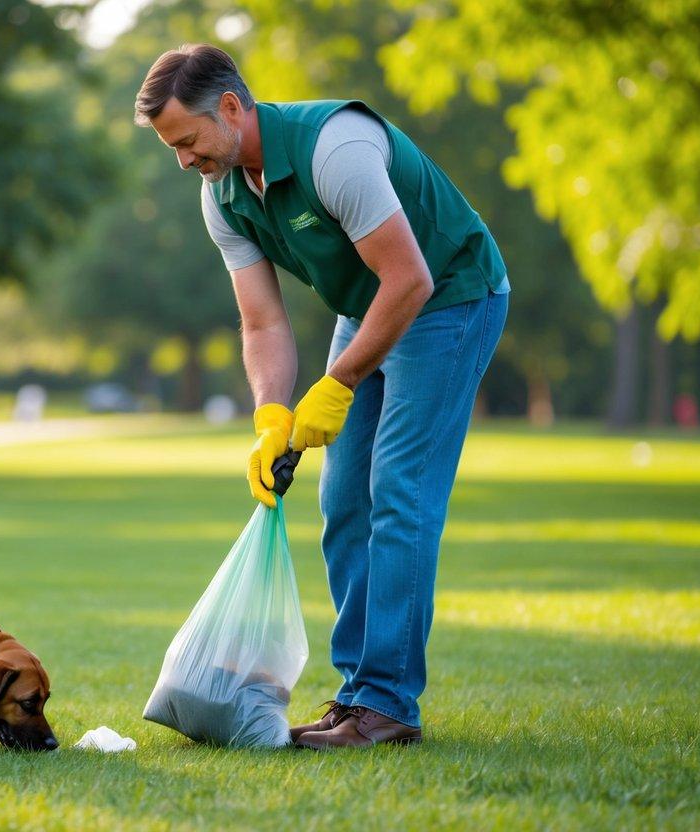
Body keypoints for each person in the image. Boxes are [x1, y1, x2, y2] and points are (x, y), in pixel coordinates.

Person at [134, 45, 510, 749]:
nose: (182, 160)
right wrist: (271, 416)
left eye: (186, 141)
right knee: (342, 501)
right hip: (367, 307)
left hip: (448, 297)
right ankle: (357, 695)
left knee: (398, 493)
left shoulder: (334, 149)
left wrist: (335, 385)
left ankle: (387, 705)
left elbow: (410, 280)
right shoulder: (220, 194)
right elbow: (263, 321)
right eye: (170, 148)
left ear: (230, 107)